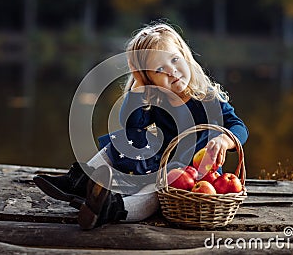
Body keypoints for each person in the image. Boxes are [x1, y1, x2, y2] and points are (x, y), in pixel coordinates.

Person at [33, 22, 248, 230]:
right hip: (161, 164)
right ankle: (80, 179)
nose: (171, 71)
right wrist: (138, 85)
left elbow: (239, 127)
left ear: (185, 56)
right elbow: (131, 125)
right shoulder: (159, 100)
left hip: (198, 178)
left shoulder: (207, 98)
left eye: (174, 60)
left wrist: (224, 139)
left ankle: (112, 209)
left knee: (153, 192)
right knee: (129, 138)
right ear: (150, 80)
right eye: (160, 69)